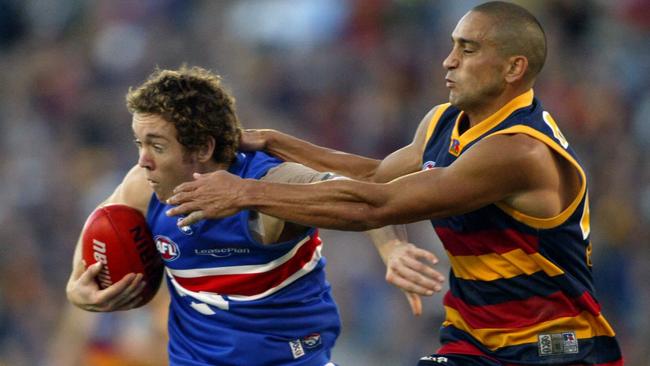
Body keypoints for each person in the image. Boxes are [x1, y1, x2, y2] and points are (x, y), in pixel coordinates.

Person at [165, 2, 624, 365]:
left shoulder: (518, 152)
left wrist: (246, 192)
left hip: (552, 350)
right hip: (476, 342)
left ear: (513, 68)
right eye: (452, 45)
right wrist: (275, 142)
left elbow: (377, 206)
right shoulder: (445, 122)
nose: (448, 60)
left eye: (468, 50)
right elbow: (375, 175)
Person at [65, 66, 445, 366]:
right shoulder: (142, 186)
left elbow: (357, 195)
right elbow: (99, 226)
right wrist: (75, 286)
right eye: (139, 144)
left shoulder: (270, 181)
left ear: (202, 148)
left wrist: (392, 248)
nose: (142, 160)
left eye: (157, 146)